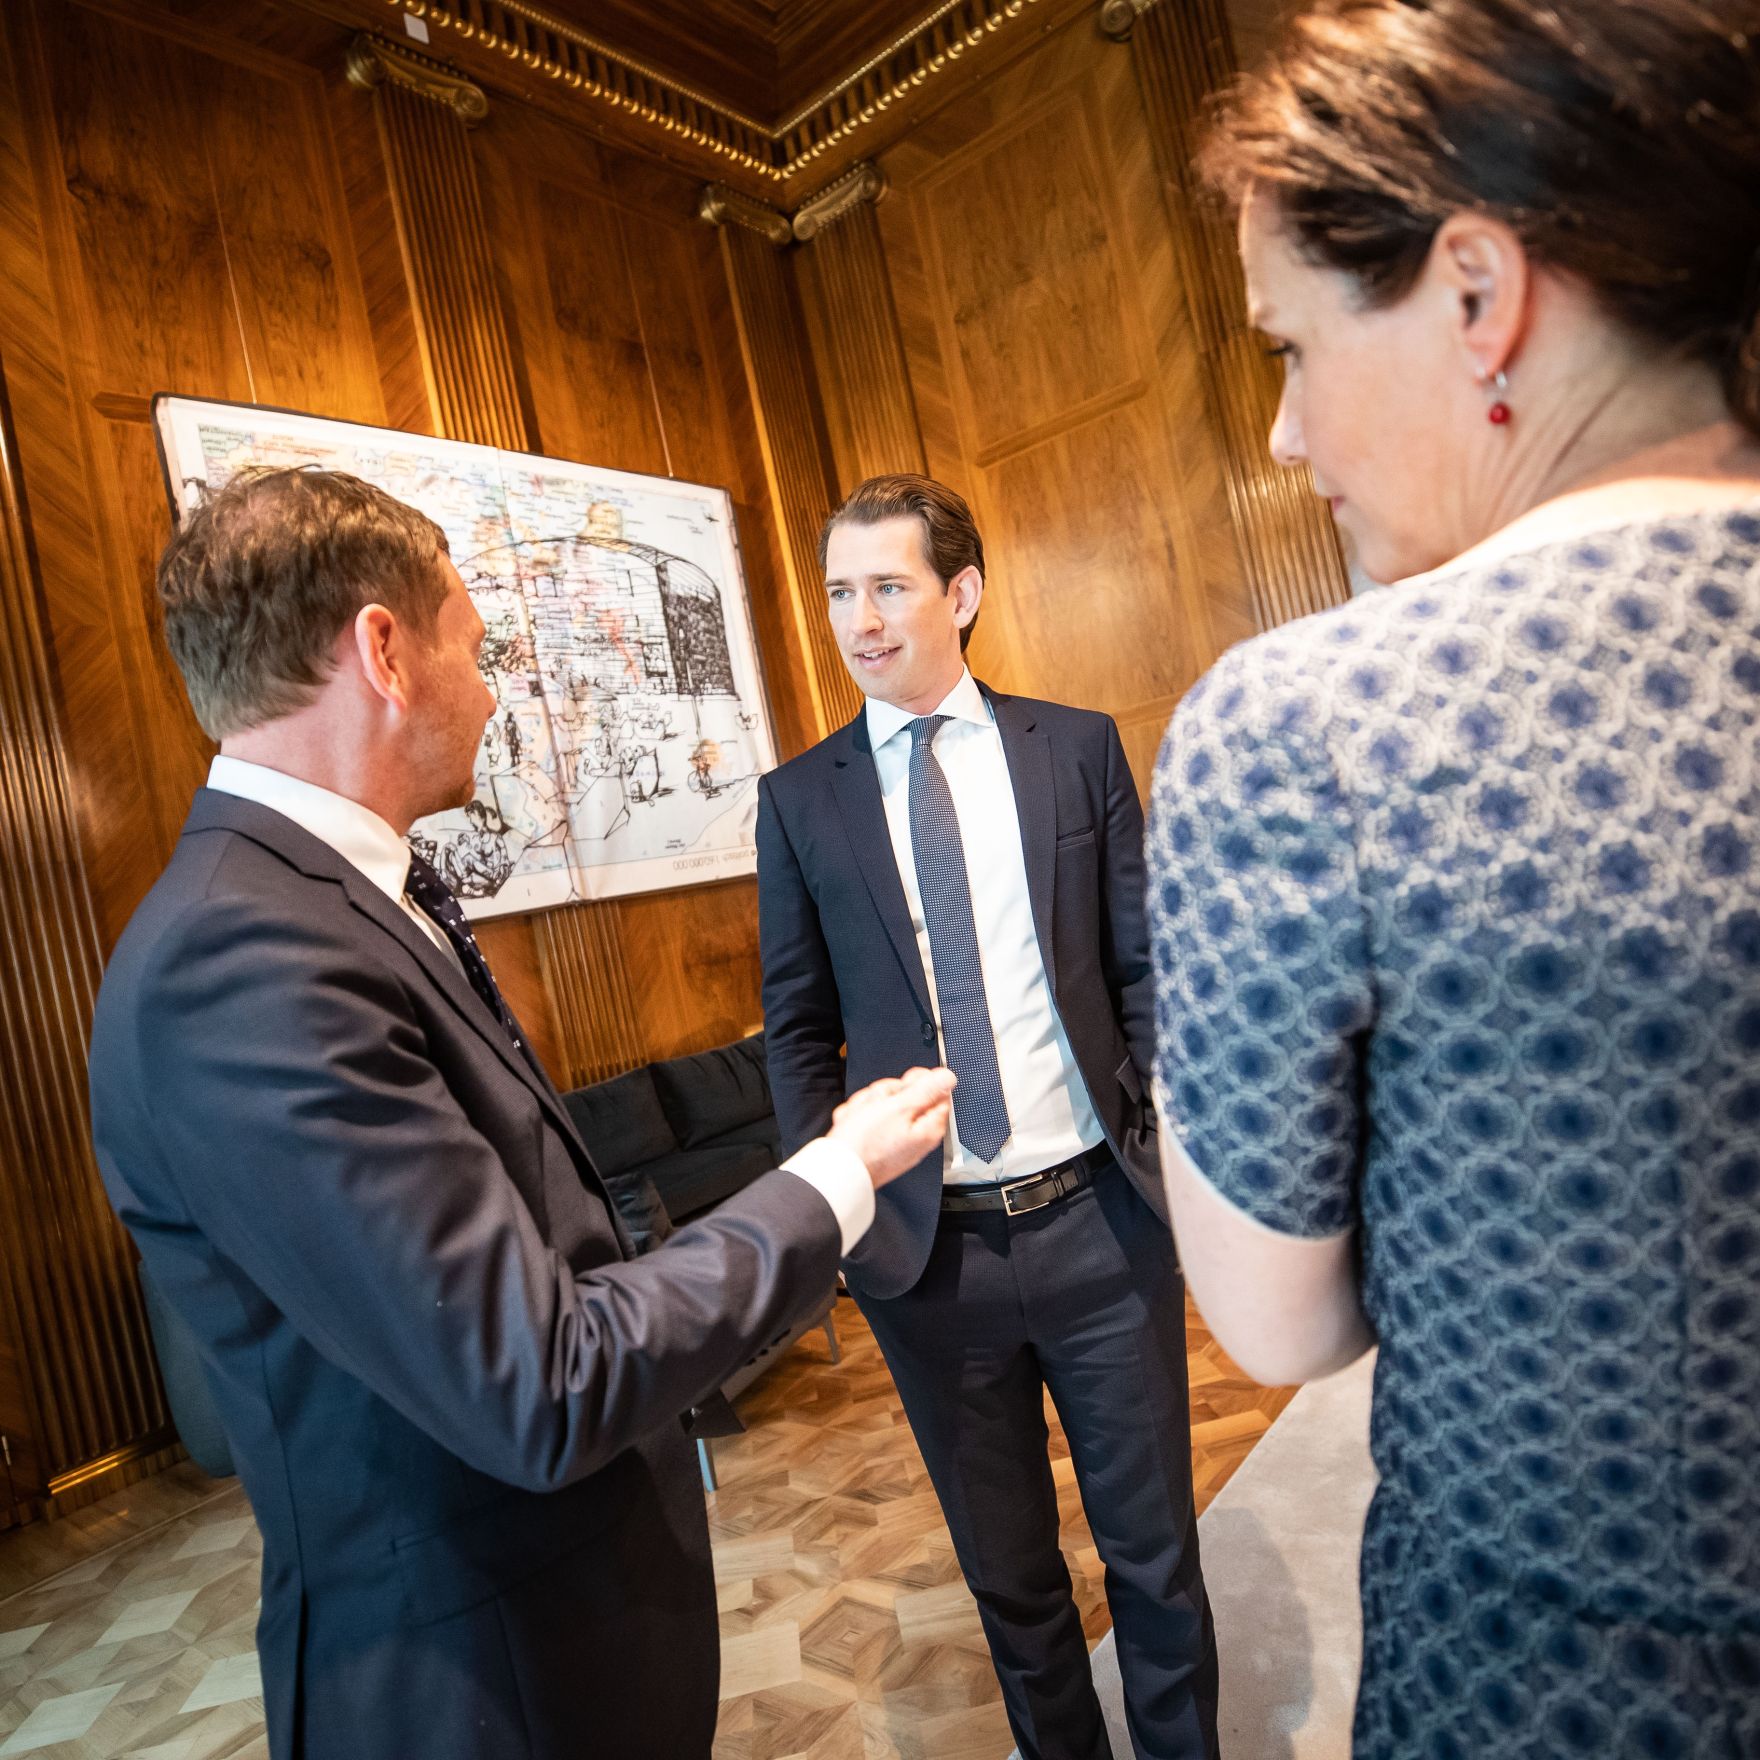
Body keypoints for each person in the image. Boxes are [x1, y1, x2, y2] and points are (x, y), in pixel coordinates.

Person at [87, 467, 955, 1760]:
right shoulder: (241, 963)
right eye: (477, 647)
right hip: (479, 1692)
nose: (492, 692)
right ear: (385, 651)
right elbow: (539, 1379)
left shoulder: (327, 906)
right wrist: (833, 1178)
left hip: (560, 1645)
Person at [1145, 3, 1760, 1753]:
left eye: (1288, 346)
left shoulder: (1313, 723)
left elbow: (1279, 1324)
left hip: (1562, 1694)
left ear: (1478, 293)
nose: (1284, 433)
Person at [758, 474, 1217, 1760]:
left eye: (887, 585)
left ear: (959, 593)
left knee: (1154, 1558)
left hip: (1098, 1226)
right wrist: (840, 1211)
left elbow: (1139, 965)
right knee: (1011, 1581)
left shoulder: (1071, 746)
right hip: (928, 1255)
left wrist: (1168, 1140)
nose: (859, 617)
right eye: (840, 590)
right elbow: (793, 1026)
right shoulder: (800, 799)